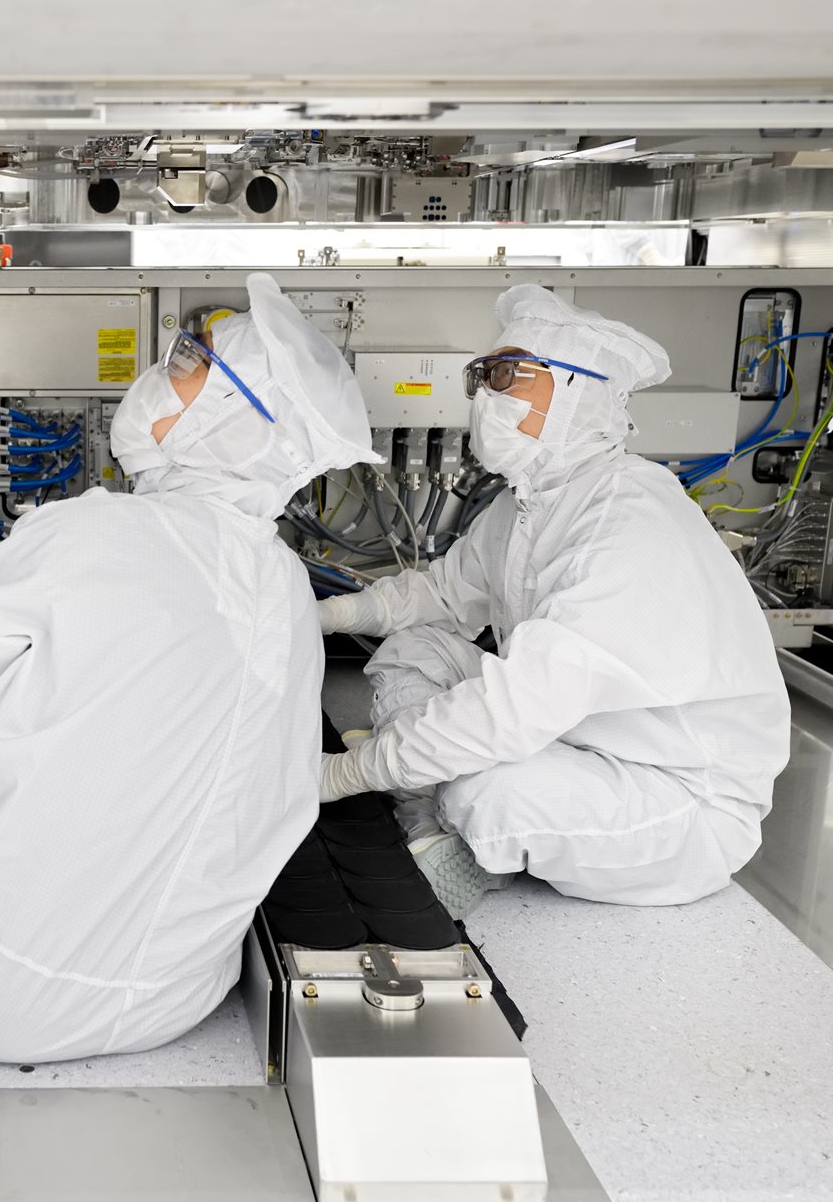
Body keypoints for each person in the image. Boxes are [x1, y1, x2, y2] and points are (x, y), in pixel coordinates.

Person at [0, 273, 380, 1063]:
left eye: (190, 358)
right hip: (180, 995)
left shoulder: (96, 530)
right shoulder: (287, 586)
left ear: (234, 417)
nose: (164, 365)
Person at [316, 285, 789, 916]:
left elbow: (517, 704)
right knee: (416, 650)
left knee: (484, 788)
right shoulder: (530, 501)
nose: (485, 396)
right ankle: (425, 824)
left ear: (578, 391)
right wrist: (327, 615)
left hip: (676, 792)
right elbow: (443, 594)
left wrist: (344, 776)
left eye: (507, 375)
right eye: (480, 377)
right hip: (576, 734)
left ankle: (442, 815)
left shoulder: (626, 519)